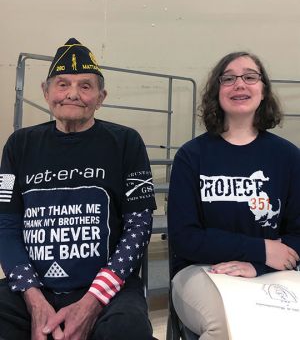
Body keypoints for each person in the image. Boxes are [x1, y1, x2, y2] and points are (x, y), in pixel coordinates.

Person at [0, 38, 157, 340]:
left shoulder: (126, 142)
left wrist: (92, 301)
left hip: (107, 290)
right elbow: (6, 224)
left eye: (85, 86)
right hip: (32, 289)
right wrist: (34, 300)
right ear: (46, 92)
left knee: (128, 331)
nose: (72, 93)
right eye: (62, 84)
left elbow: (139, 226)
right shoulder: (19, 145)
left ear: (101, 96)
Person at [167, 51, 300, 339]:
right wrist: (261, 249)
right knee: (226, 326)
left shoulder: (288, 157)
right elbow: (185, 238)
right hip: (200, 270)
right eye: (228, 78)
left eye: (250, 77)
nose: (239, 84)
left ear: (263, 90)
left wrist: (258, 264)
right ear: (217, 91)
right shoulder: (192, 156)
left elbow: (298, 234)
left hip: (270, 271)